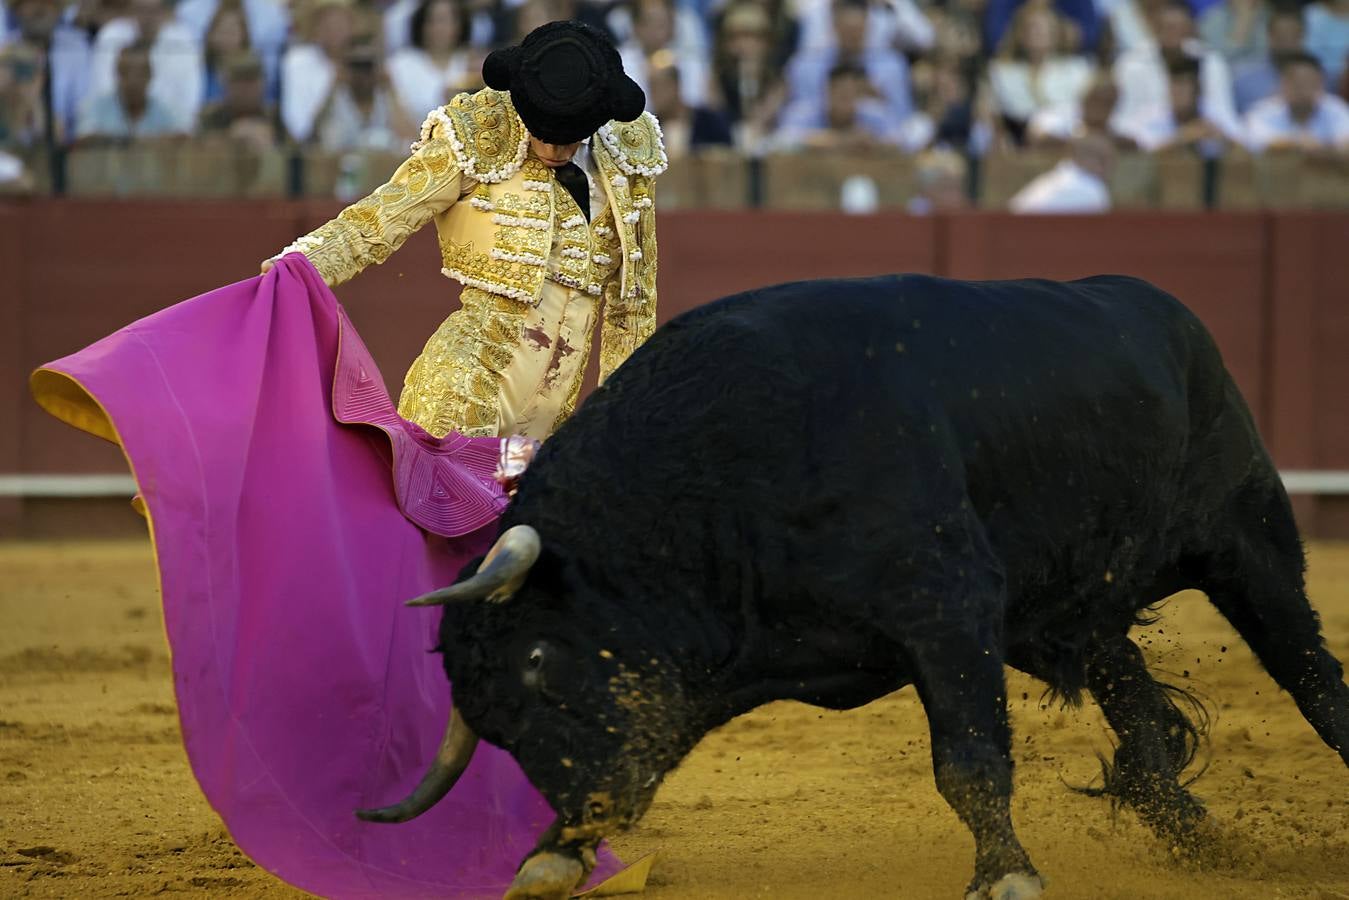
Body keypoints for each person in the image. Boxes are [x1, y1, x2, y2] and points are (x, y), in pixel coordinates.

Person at [264, 20, 665, 442]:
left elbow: (634, 303)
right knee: (436, 506)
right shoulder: (477, 131)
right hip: (463, 392)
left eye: (569, 139)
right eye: (540, 132)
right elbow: (379, 219)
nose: (552, 149)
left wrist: (626, 418)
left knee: (520, 507)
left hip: (547, 420)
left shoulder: (626, 151)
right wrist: (296, 266)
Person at [1244, 50, 1349, 153]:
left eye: (1309, 83)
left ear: (1321, 84)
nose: (1303, 90)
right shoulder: (1262, 111)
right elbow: (1255, 141)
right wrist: (1298, 143)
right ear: (1283, 85)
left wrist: (1317, 146)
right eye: (1297, 83)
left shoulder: (1336, 108)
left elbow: (1346, 142)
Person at [1008, 132, 1115, 212]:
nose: (1108, 168)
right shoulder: (1090, 188)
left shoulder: (1054, 178)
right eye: (1102, 160)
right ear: (1082, 158)